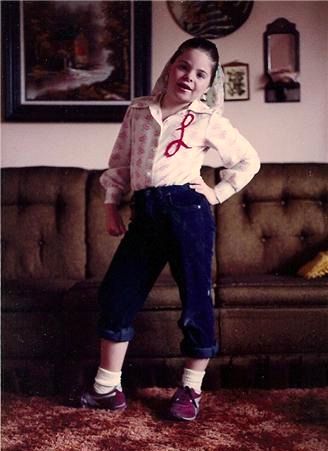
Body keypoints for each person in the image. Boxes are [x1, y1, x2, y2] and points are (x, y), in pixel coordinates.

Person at [80, 37, 260, 421]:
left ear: (208, 83)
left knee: (196, 300)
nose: (189, 78)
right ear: (170, 66)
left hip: (187, 211)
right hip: (145, 213)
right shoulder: (139, 111)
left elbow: (248, 160)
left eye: (200, 74)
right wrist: (112, 206)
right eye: (184, 66)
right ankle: (105, 388)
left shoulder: (208, 120)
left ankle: (190, 389)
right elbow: (121, 163)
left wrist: (217, 193)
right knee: (117, 293)